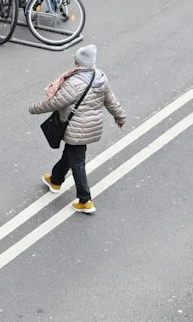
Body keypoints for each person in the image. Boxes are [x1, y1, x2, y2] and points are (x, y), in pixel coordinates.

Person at [28, 44, 126, 215]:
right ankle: (55, 180)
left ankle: (85, 200)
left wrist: (34, 108)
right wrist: (120, 116)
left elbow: (55, 102)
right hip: (91, 126)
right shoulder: (100, 77)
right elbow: (110, 100)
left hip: (77, 129)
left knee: (77, 161)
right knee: (71, 154)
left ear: (79, 62)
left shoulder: (74, 82)